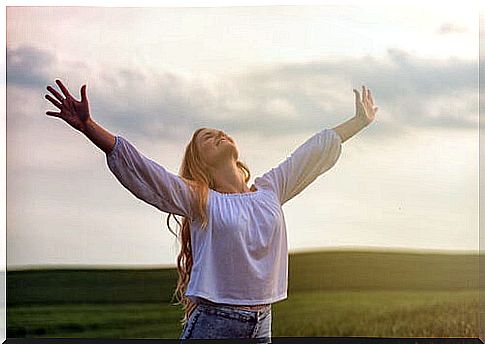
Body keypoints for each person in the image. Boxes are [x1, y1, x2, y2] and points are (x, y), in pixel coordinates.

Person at [44, 80, 378, 342]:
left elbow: (313, 152)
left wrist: (359, 121)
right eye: (207, 138)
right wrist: (89, 126)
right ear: (200, 162)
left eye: (218, 132)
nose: (217, 135)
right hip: (216, 323)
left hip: (263, 322)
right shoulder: (200, 199)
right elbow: (144, 171)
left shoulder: (271, 189)